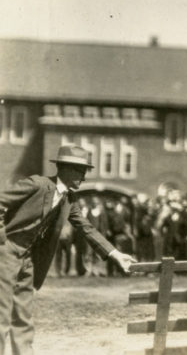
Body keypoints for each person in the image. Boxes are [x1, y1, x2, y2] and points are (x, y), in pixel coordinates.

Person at [0, 145, 137, 354]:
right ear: (66, 169)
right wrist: (2, 238)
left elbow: (87, 228)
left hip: (28, 258)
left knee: (23, 315)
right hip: (6, 252)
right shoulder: (37, 184)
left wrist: (115, 254)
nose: (84, 177)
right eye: (81, 171)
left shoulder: (69, 200)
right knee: (2, 312)